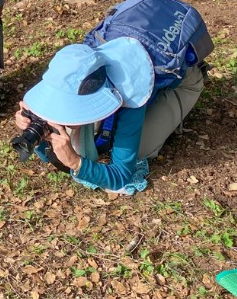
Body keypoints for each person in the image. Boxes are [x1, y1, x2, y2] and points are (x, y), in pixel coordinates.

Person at [14, 35, 206, 194]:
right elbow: (51, 156)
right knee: (79, 138)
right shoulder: (74, 75)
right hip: (126, 65)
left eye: (70, 109)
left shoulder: (130, 95)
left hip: (184, 80)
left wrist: (75, 162)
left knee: (139, 149)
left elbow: (121, 176)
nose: (61, 117)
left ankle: (175, 87)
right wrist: (36, 133)